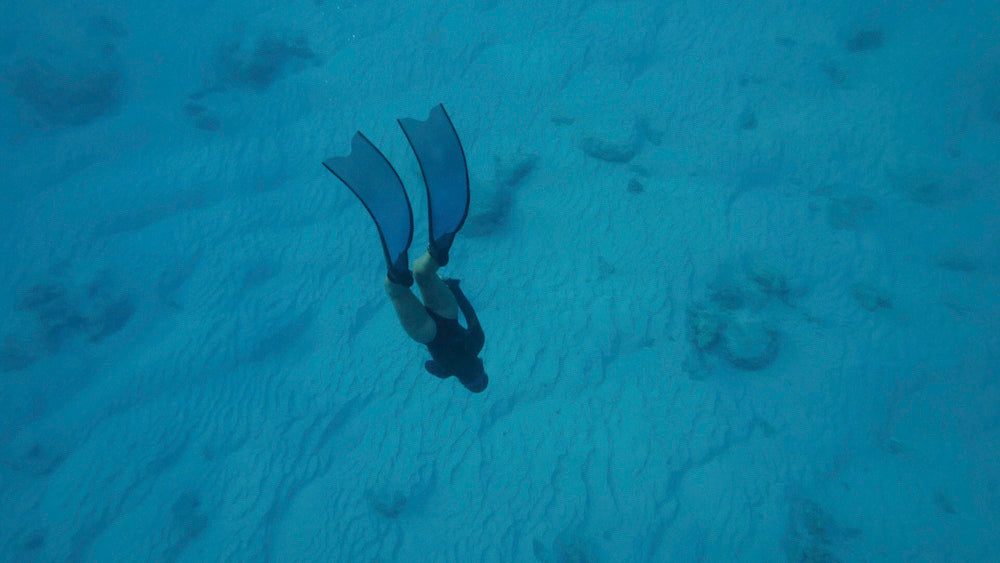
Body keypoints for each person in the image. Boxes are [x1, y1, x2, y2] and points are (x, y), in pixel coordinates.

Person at [323, 104, 488, 393]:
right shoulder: (446, 370)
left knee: (423, 273)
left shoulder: (476, 343)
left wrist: (457, 288)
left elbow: (470, 314)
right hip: (427, 334)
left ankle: (436, 254)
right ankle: (397, 276)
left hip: (448, 313)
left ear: (481, 366)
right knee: (396, 289)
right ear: (463, 379)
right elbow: (430, 366)